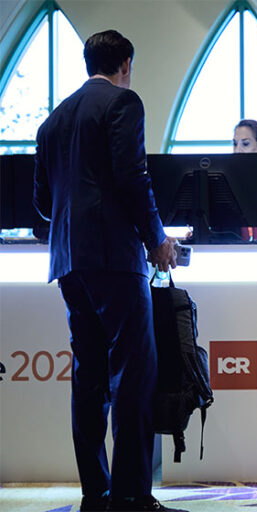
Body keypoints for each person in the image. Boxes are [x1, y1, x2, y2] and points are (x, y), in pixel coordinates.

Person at [33, 30, 186, 512]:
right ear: (124, 63)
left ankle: (95, 494)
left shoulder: (52, 121)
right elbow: (132, 176)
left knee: (89, 376)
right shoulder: (123, 102)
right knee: (134, 374)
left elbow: (42, 203)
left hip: (69, 263)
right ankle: (133, 495)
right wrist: (157, 239)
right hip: (116, 260)